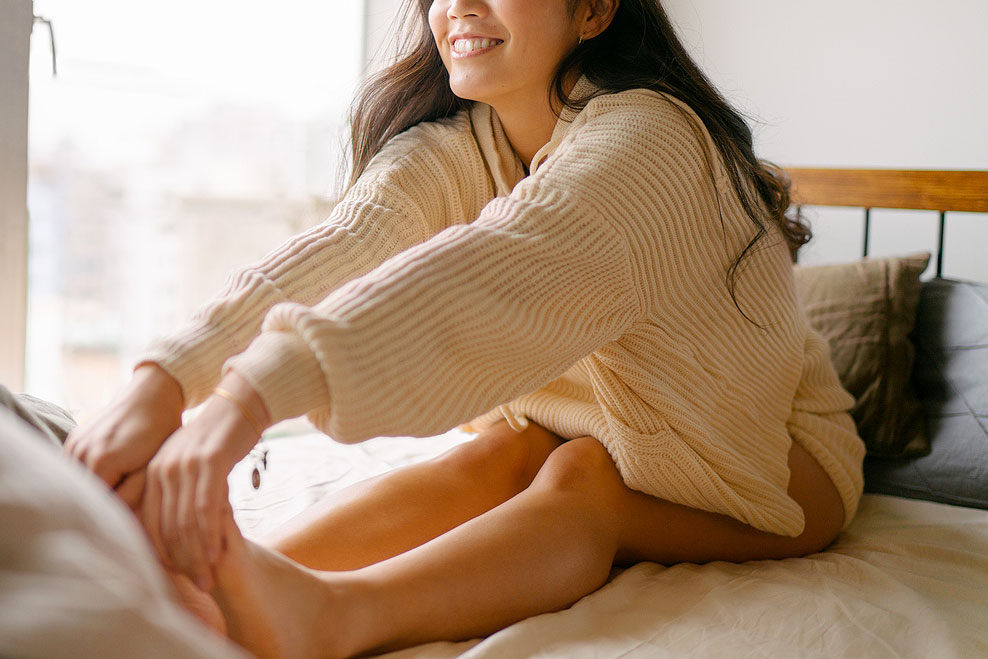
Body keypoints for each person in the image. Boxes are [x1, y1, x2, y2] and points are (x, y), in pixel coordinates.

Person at [64, 0, 866, 656]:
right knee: (503, 449)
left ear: (593, 9)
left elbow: (494, 266)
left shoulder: (653, 139)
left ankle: (335, 615)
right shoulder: (454, 149)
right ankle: (217, 574)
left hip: (772, 465)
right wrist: (167, 380)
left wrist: (247, 401)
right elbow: (344, 250)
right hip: (584, 425)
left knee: (583, 476)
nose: (457, 7)